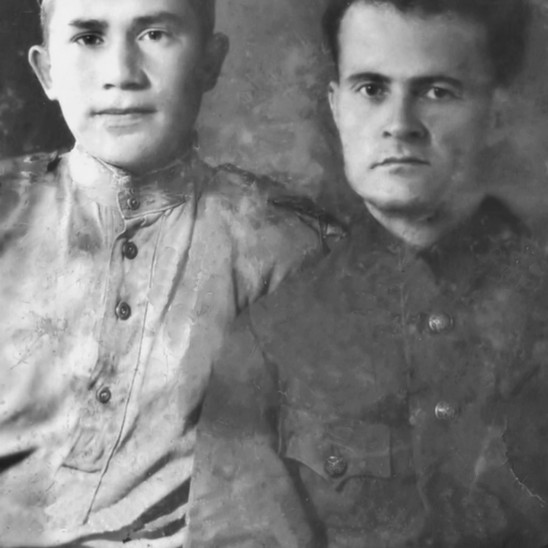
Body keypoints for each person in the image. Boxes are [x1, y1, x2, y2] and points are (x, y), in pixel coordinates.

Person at [188, 0, 548, 546]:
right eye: (372, 89)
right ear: (336, 107)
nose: (400, 126)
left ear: (495, 112)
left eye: (437, 91)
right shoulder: (266, 342)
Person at [0, 0, 341, 546]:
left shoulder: (282, 248)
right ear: (46, 72)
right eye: (88, 37)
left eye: (155, 34)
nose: (121, 74)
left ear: (210, 62)